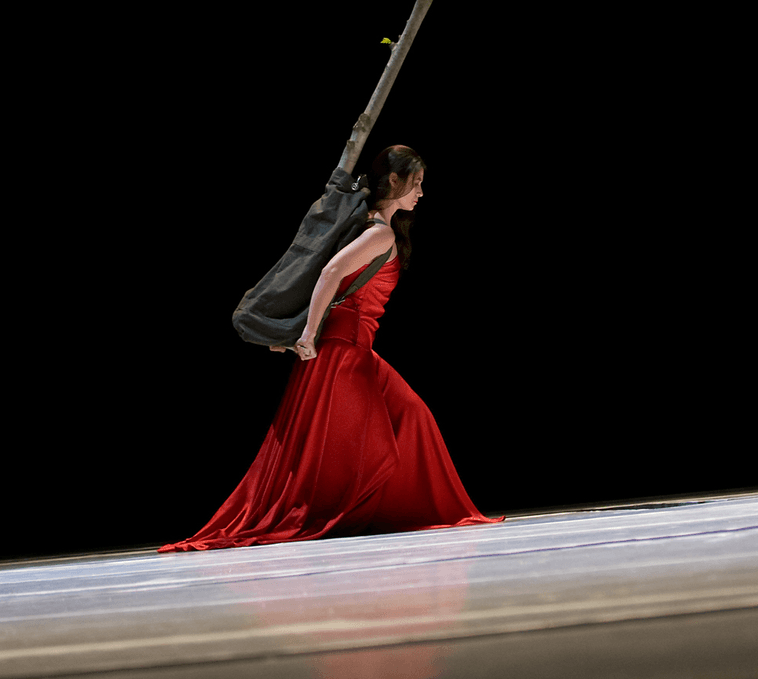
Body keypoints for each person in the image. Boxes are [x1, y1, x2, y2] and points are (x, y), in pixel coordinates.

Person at [158, 144, 503, 549]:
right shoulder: (378, 232)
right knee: (362, 443)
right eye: (417, 183)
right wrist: (304, 333)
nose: (421, 193)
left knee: (411, 416)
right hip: (344, 350)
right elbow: (330, 272)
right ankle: (350, 512)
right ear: (393, 180)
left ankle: (394, 510)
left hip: (356, 348)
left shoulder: (373, 229)